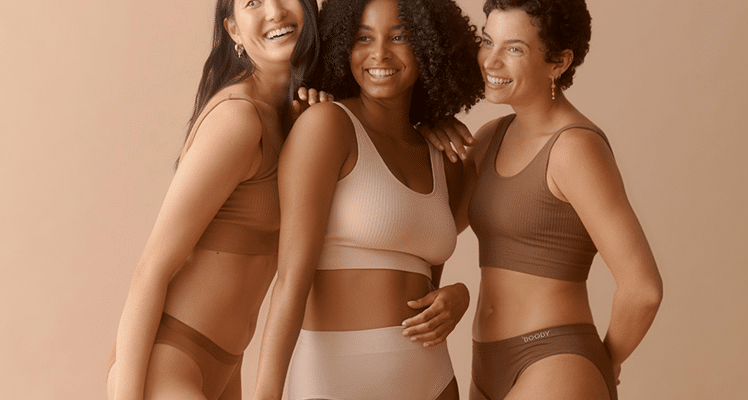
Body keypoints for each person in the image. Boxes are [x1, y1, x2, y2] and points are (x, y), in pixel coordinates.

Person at [425, 0, 663, 399]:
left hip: (556, 362)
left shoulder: (574, 148)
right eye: (488, 41)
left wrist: (605, 361)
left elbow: (643, 288)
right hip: (484, 364)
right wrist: (429, 132)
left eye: (514, 48)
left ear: (558, 62)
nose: (491, 61)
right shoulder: (488, 138)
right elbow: (429, 231)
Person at [250, 0, 484, 399]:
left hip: (432, 379)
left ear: (429, 44)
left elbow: (427, 275)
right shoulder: (327, 126)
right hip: (335, 382)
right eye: (363, 38)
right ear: (342, 45)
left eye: (399, 37)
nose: (379, 54)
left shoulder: (443, 157)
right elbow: (290, 282)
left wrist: (458, 298)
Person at [106, 0, 320, 399]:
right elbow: (151, 268)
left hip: (225, 366)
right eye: (252, 2)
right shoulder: (238, 119)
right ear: (234, 31)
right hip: (167, 361)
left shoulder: (299, 117)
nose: (274, 10)